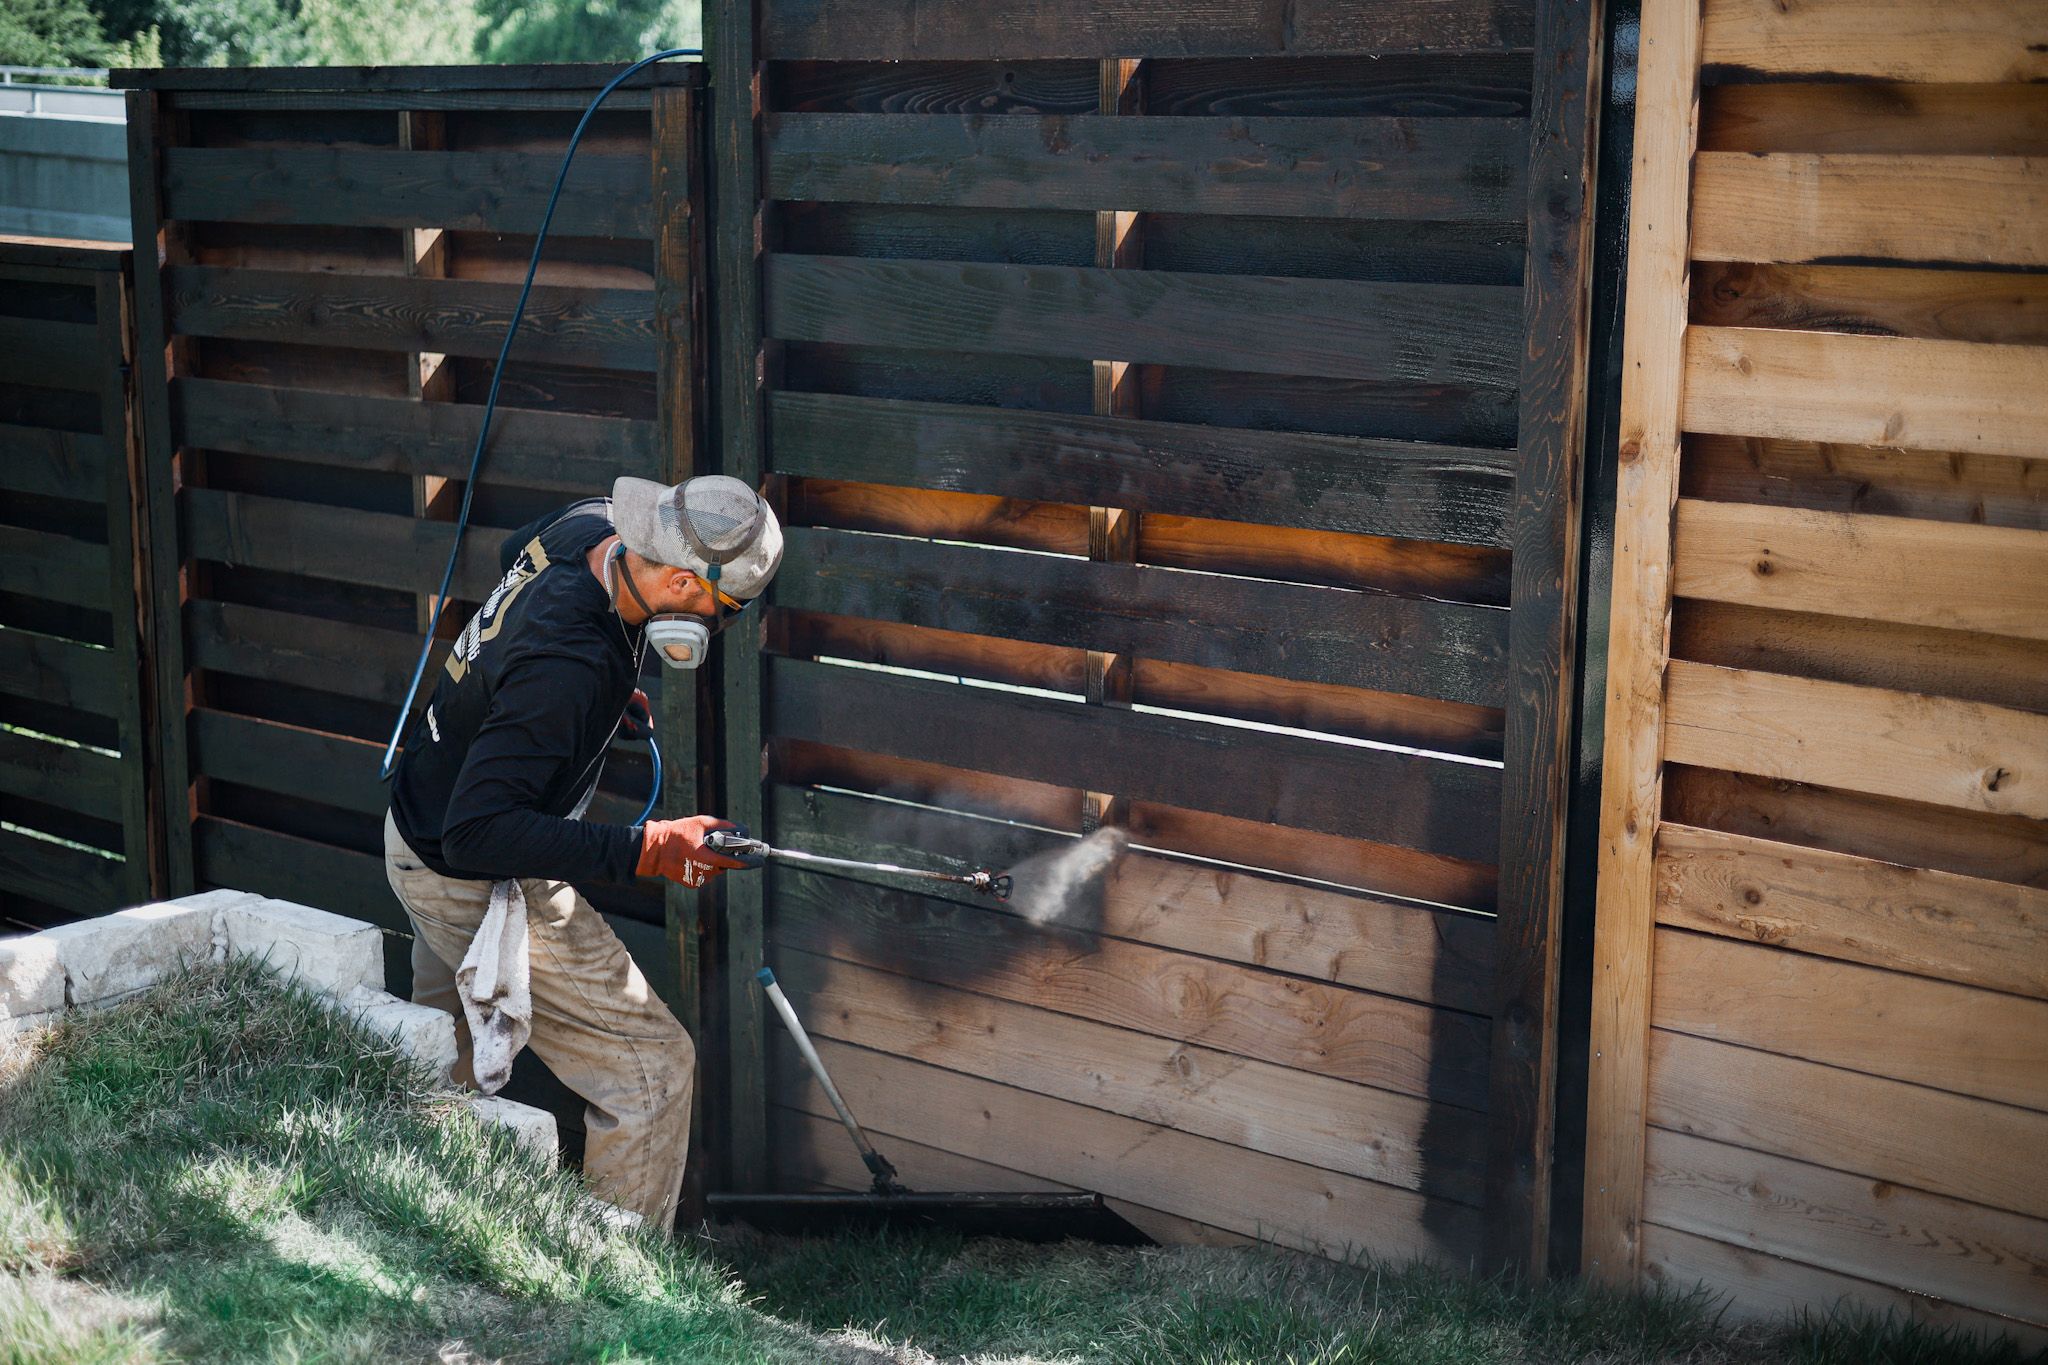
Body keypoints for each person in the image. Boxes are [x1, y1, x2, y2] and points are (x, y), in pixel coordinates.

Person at [382, 474, 782, 1229]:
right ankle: (614, 1300)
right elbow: (480, 832)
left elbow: (514, 560)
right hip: (461, 868)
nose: (721, 626)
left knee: (439, 1078)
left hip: (412, 823)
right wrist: (650, 848)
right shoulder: (565, 668)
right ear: (675, 578)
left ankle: (413, 1228)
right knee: (653, 1072)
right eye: (723, 613)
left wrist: (592, 703)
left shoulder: (589, 525)